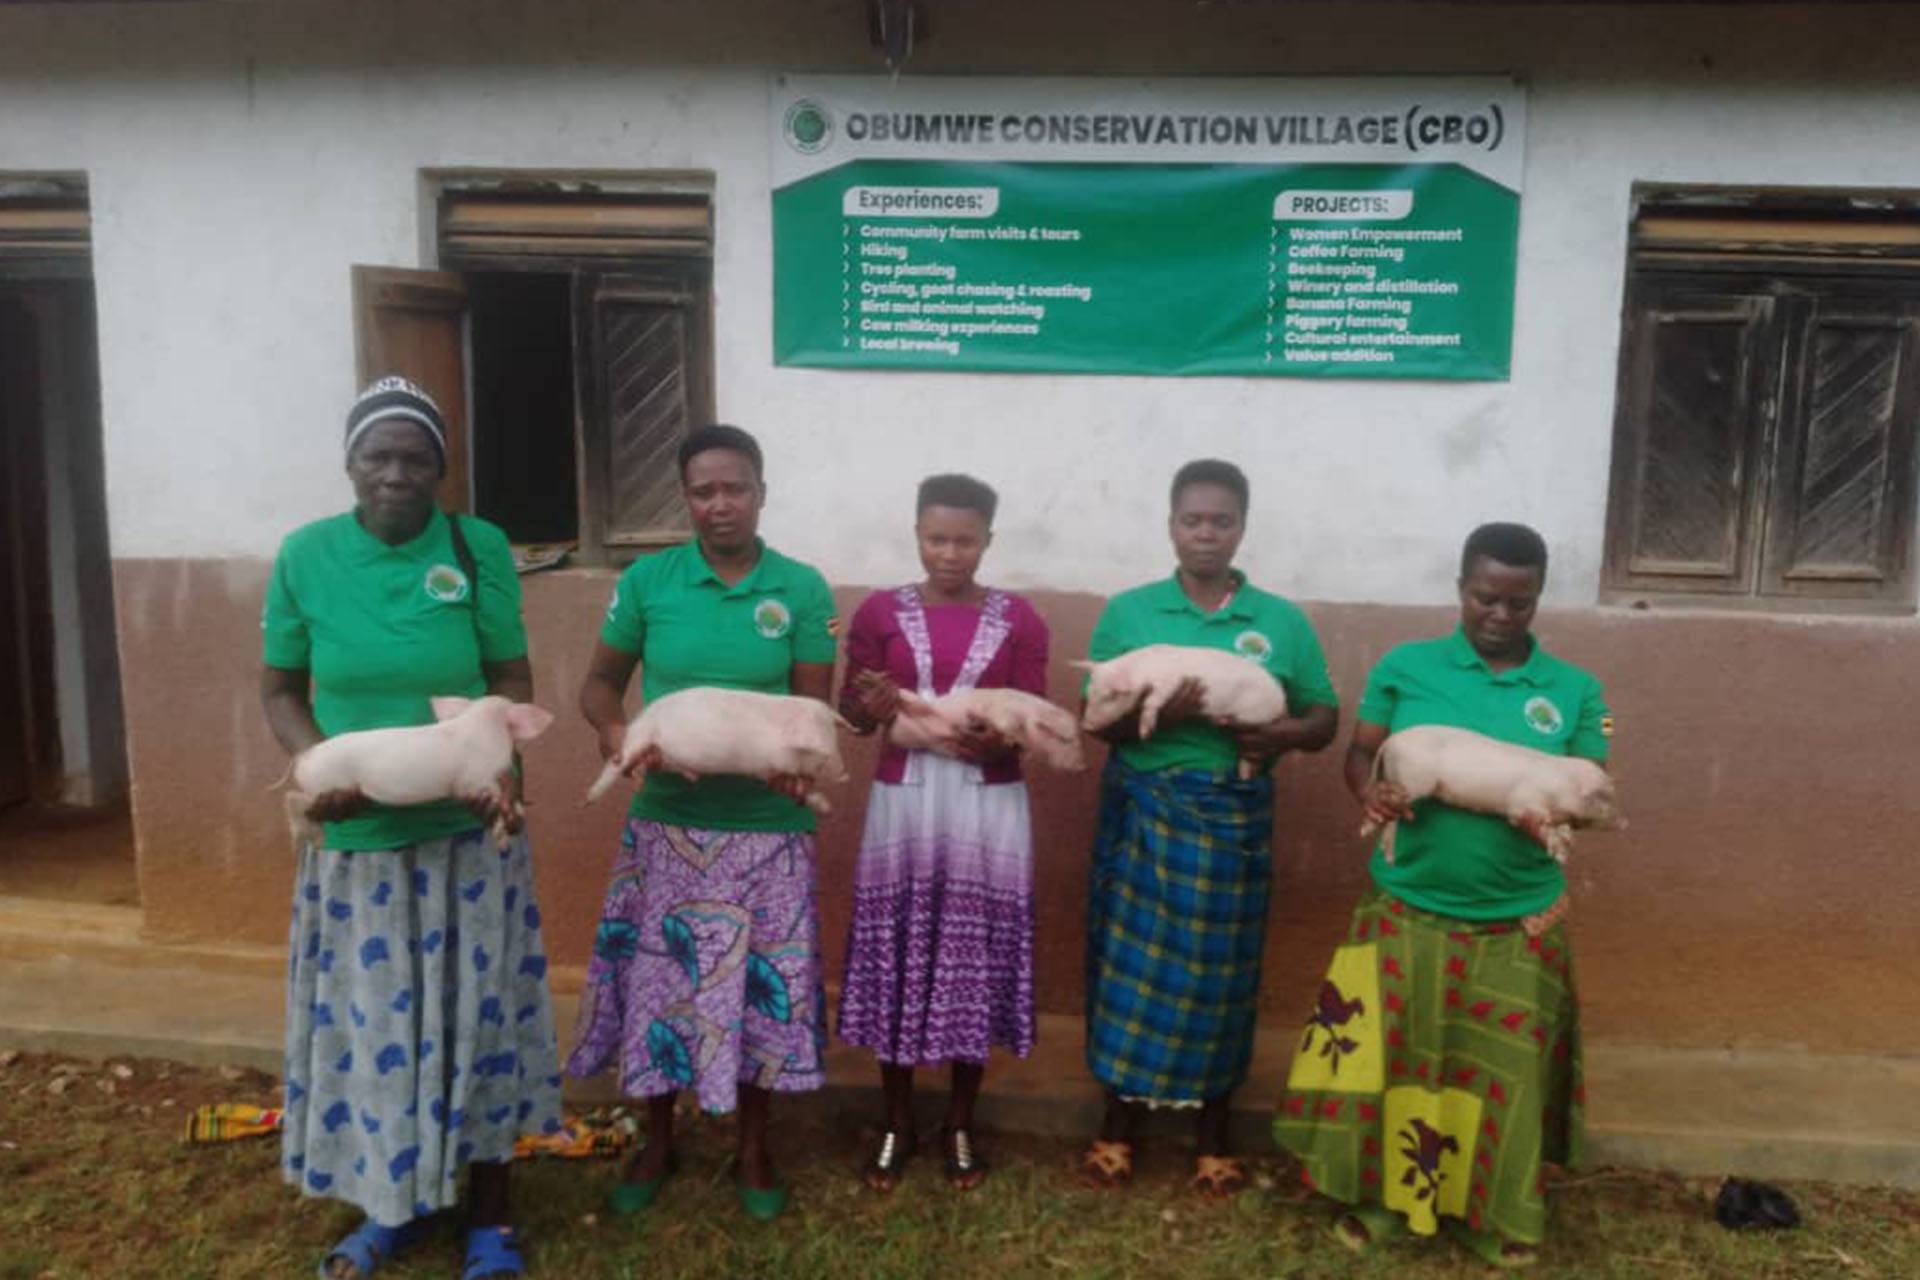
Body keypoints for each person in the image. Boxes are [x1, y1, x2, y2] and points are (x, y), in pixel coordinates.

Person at [261, 376, 561, 1280]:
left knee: (484, 1020)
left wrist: (492, 772)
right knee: (372, 1023)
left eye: (415, 457)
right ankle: (387, 1208)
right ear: (350, 464)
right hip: (359, 846)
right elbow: (279, 689)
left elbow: (512, 684)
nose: (395, 473)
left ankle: (491, 1220)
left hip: (468, 839)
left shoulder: (476, 549)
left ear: (440, 469)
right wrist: (322, 773)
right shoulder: (306, 555)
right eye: (376, 455)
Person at [1272, 522, 1609, 1269]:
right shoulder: (1407, 667)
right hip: (1406, 908)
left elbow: (1583, 792)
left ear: (1538, 599)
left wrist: (1545, 809)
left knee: (1499, 1077)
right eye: (1485, 597)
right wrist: (1378, 794)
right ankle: (1382, 1203)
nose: (1499, 614)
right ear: (1461, 588)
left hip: (1516, 922)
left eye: (1518, 602)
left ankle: (1494, 1215)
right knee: (1395, 1064)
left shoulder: (1574, 692)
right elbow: (1361, 754)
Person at [569, 424, 837, 1223]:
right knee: (661, 985)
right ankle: (658, 1137)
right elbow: (598, 685)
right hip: (669, 827)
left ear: (761, 491)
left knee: (767, 991)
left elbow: (807, 712)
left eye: (736, 488)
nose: (719, 505)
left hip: (768, 827)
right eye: (702, 490)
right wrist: (619, 737)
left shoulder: (801, 588)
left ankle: (753, 1148)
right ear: (685, 497)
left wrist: (799, 763)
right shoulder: (650, 582)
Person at [1080, 459, 1339, 1198]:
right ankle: (1117, 1126)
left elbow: (1322, 718)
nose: (1206, 533)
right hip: (1144, 807)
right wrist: (1180, 712)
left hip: (1232, 815)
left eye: (1221, 521)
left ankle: (1213, 1134)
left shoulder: (1279, 621)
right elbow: (1095, 721)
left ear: (1241, 528)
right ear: (1171, 525)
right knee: (1126, 968)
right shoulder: (1129, 614)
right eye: (1192, 519)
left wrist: (1281, 737)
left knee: (1221, 975)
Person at [836, 474, 1050, 1192]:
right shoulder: (878, 612)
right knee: (899, 950)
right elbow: (856, 715)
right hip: (905, 799)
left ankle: (960, 1121)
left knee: (973, 952)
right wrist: (866, 703)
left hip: (988, 805)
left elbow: (1028, 720)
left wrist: (993, 740)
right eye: (936, 538)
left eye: (964, 540)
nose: (949, 553)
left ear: (989, 539)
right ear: (917, 534)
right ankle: (897, 1119)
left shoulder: (1021, 619)